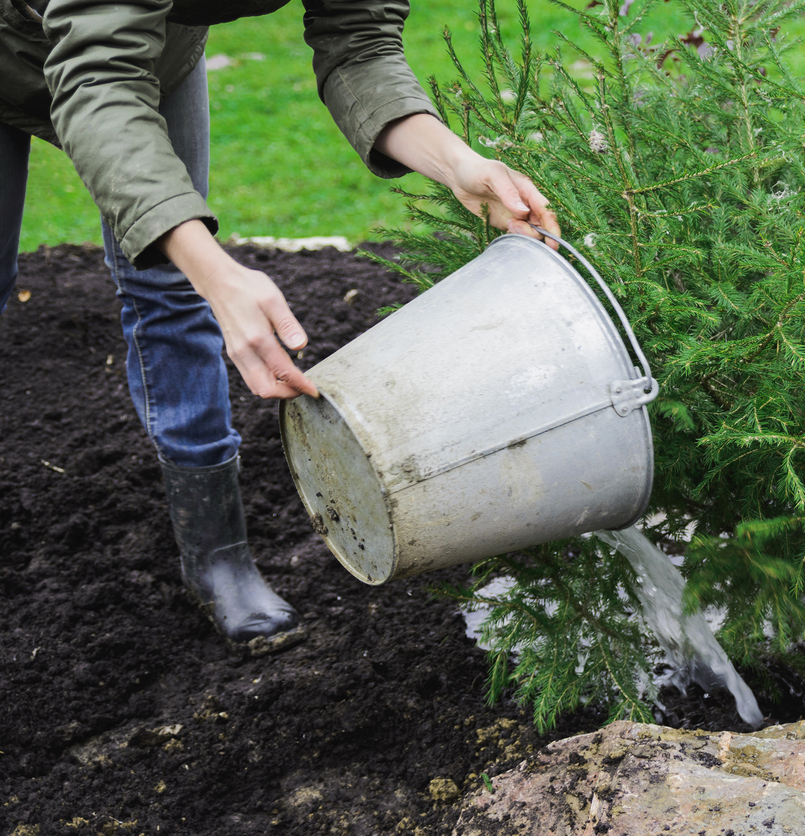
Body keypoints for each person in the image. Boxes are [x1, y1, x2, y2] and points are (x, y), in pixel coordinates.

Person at [0, 0, 560, 654]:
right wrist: (215, 270)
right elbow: (97, 83)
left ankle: (217, 558)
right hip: (67, 56)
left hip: (148, 55)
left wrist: (456, 162)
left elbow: (359, 45)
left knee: (171, 284)